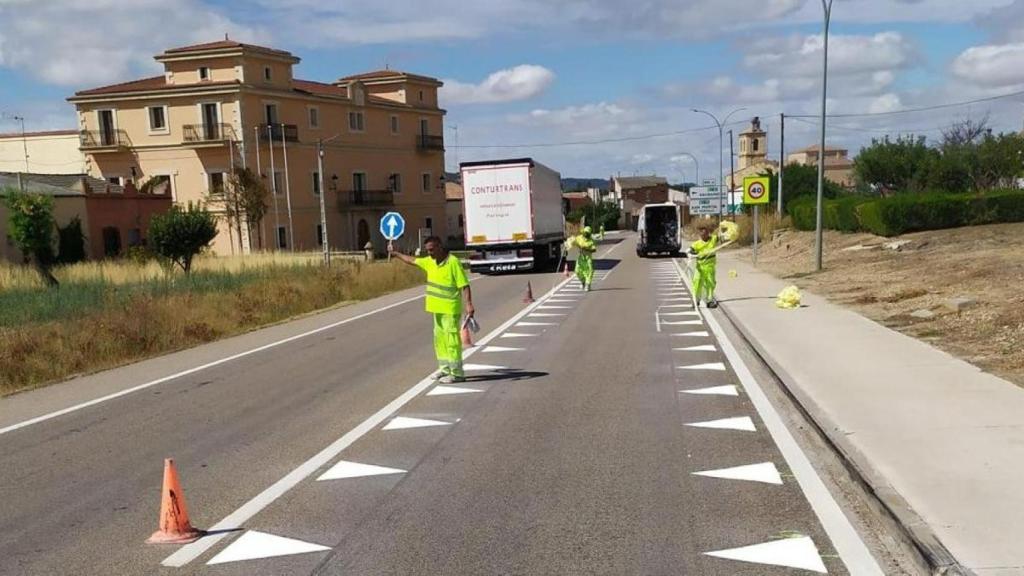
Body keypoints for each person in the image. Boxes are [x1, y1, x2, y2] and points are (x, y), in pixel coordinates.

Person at [390, 236, 475, 383]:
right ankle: (444, 369)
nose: (429, 253)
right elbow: (412, 260)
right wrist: (396, 254)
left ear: (440, 246)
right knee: (440, 340)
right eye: (427, 250)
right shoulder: (429, 262)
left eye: (432, 249)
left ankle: (457, 373)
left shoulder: (452, 262)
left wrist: (468, 304)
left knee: (451, 340)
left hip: (450, 308)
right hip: (437, 309)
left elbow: (464, 285)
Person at [689, 224, 719, 308]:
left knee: (710, 283)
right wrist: (691, 253)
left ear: (708, 233)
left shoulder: (713, 239)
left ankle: (709, 300)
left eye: (705, 233)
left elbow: (723, 238)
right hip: (700, 268)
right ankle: (696, 300)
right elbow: (691, 249)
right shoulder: (697, 244)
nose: (703, 235)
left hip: (710, 267)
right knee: (697, 283)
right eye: (701, 233)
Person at [566, 226, 597, 291]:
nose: (585, 234)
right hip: (581, 257)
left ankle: (588, 285)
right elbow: (574, 241)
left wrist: (586, 248)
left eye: (587, 233)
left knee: (590, 270)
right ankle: (583, 281)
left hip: (588, 257)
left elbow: (594, 249)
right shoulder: (580, 238)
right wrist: (569, 243)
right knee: (577, 270)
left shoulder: (591, 241)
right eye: (585, 233)